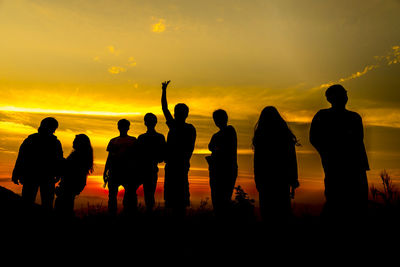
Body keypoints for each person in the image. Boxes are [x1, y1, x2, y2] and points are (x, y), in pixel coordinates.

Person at [310, 84, 369, 220]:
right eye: (341, 94)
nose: (344, 96)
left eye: (345, 93)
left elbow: (358, 141)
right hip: (335, 167)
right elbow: (314, 138)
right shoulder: (322, 116)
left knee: (358, 204)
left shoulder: (355, 117)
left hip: (356, 167)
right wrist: (328, 154)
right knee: (335, 203)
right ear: (330, 98)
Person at [252, 106, 299, 223]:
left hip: (266, 180)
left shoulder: (261, 137)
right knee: (282, 212)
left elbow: (257, 162)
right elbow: (292, 159)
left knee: (268, 213)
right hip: (282, 179)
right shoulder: (285, 136)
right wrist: (293, 179)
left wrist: (257, 180)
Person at [12, 117, 64, 211]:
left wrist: (16, 173)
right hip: (40, 176)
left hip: (36, 176)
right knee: (40, 203)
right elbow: (22, 157)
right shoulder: (54, 143)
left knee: (30, 202)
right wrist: (58, 173)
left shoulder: (32, 139)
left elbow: (21, 157)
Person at [161, 80, 196, 216]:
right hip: (178, 164)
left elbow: (164, 108)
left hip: (177, 164)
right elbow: (165, 108)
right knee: (176, 196)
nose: (175, 114)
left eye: (177, 112)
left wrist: (164, 91)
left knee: (176, 196)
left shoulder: (177, 126)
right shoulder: (187, 128)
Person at [207, 109, 238, 216]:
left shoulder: (230, 130)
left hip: (226, 170)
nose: (216, 121)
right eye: (215, 119)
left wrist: (217, 150)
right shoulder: (216, 135)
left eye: (217, 119)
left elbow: (222, 147)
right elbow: (211, 146)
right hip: (216, 171)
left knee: (223, 199)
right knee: (217, 200)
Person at [104, 119, 138, 215]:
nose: (122, 128)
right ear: (118, 127)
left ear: (128, 128)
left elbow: (137, 157)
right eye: (121, 126)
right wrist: (105, 171)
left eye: (124, 126)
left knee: (129, 196)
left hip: (128, 172)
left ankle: (127, 214)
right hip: (115, 172)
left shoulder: (133, 141)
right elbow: (109, 157)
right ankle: (113, 215)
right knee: (112, 196)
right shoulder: (113, 141)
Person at [54, 134, 94, 217]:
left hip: (70, 184)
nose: (73, 142)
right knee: (67, 204)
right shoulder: (83, 155)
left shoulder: (78, 156)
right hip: (75, 184)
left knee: (62, 206)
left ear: (80, 143)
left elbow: (69, 168)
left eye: (75, 141)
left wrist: (60, 160)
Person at [137, 113, 166, 213]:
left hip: (144, 168)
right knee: (149, 193)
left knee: (147, 193)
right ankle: (149, 212)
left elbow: (137, 154)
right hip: (150, 168)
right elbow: (163, 156)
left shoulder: (141, 138)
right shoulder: (160, 137)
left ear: (145, 123)